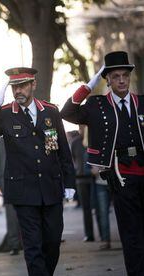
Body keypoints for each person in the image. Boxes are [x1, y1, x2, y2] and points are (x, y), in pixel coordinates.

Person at [0, 67, 75, 276]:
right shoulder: (5, 113)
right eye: (14, 87)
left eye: (22, 85)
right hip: (23, 191)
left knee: (52, 242)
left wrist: (69, 183)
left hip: (51, 187)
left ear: (33, 84)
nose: (18, 91)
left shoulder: (50, 111)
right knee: (32, 247)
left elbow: (62, 150)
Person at [61, 50, 144, 275]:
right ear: (107, 80)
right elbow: (67, 112)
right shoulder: (97, 105)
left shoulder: (141, 102)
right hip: (121, 175)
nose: (121, 80)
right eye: (115, 76)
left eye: (125, 76)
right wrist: (89, 84)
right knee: (131, 233)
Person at [0, 136, 22, 256]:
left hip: (23, 181)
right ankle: (14, 245)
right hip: (6, 183)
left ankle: (26, 242)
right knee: (11, 216)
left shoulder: (19, 137)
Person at [70, 126, 94, 242]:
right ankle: (89, 234)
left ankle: (105, 237)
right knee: (86, 208)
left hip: (94, 178)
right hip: (80, 178)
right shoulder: (75, 142)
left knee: (99, 208)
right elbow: (73, 159)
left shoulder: (93, 139)